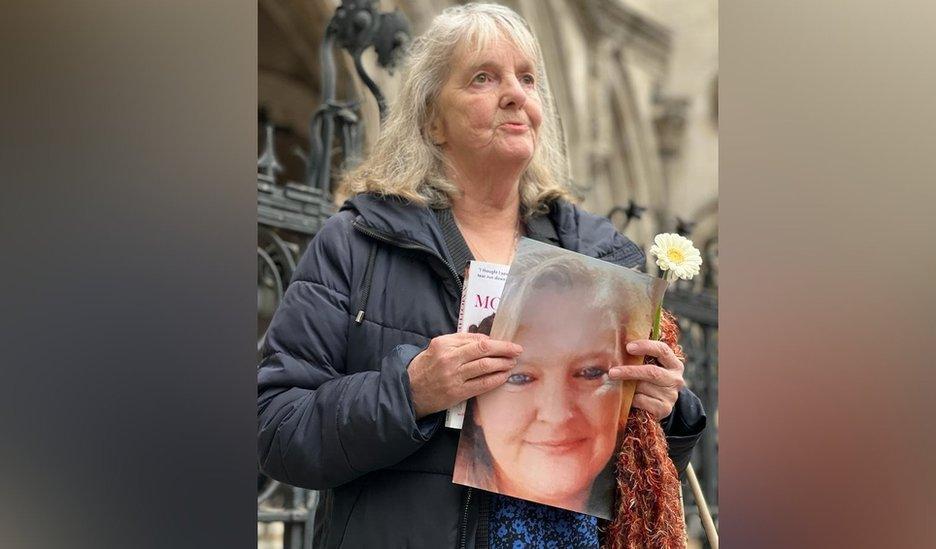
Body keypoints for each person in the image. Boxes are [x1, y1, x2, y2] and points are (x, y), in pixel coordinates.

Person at [257, 4, 706, 548]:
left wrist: (665, 414)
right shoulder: (358, 242)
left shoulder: (602, 257)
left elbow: (643, 482)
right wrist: (409, 392)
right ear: (431, 121)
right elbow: (276, 427)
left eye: (528, 78)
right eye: (483, 78)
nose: (516, 94)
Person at [454, 245, 654, 519]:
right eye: (520, 377)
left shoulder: (642, 523)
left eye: (591, 373)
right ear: (475, 404)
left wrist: (667, 422)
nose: (557, 413)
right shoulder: (434, 517)